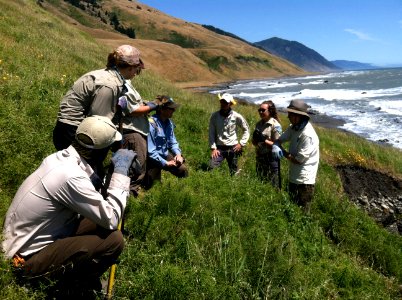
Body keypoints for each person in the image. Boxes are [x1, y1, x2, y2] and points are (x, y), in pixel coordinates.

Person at [2, 116, 136, 297]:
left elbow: (97, 203)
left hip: (22, 241)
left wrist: (107, 175)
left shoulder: (59, 159)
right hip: (24, 260)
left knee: (96, 221)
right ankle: (70, 286)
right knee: (114, 240)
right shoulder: (71, 177)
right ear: (101, 151)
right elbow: (112, 218)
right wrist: (120, 174)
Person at [272, 99, 320, 213]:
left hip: (304, 181)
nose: (288, 117)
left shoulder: (307, 134)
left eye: (290, 114)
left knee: (302, 213)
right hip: (294, 176)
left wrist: (282, 152)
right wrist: (276, 145)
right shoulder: (293, 127)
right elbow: (280, 139)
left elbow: (298, 160)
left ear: (299, 116)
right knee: (292, 209)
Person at [145, 96, 188, 189]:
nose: (174, 111)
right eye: (171, 109)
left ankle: (183, 189)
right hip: (152, 159)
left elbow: (173, 142)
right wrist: (166, 163)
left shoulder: (169, 123)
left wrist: (178, 154)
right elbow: (151, 152)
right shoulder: (151, 123)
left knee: (183, 170)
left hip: (164, 154)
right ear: (162, 109)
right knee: (152, 186)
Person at [208, 93, 250, 175]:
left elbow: (246, 130)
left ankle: (234, 184)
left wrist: (241, 144)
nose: (223, 104)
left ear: (230, 104)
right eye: (222, 102)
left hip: (233, 148)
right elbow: (211, 132)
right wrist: (213, 148)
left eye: (226, 103)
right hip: (219, 148)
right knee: (211, 166)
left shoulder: (236, 116)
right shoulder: (214, 116)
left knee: (234, 171)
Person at [252, 100, 282, 188]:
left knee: (274, 184)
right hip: (260, 157)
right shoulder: (258, 124)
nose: (260, 112)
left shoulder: (275, 125)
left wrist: (264, 140)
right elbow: (255, 143)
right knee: (261, 181)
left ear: (270, 111)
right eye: (259, 110)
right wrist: (255, 140)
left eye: (263, 110)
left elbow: (278, 145)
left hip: (271, 158)